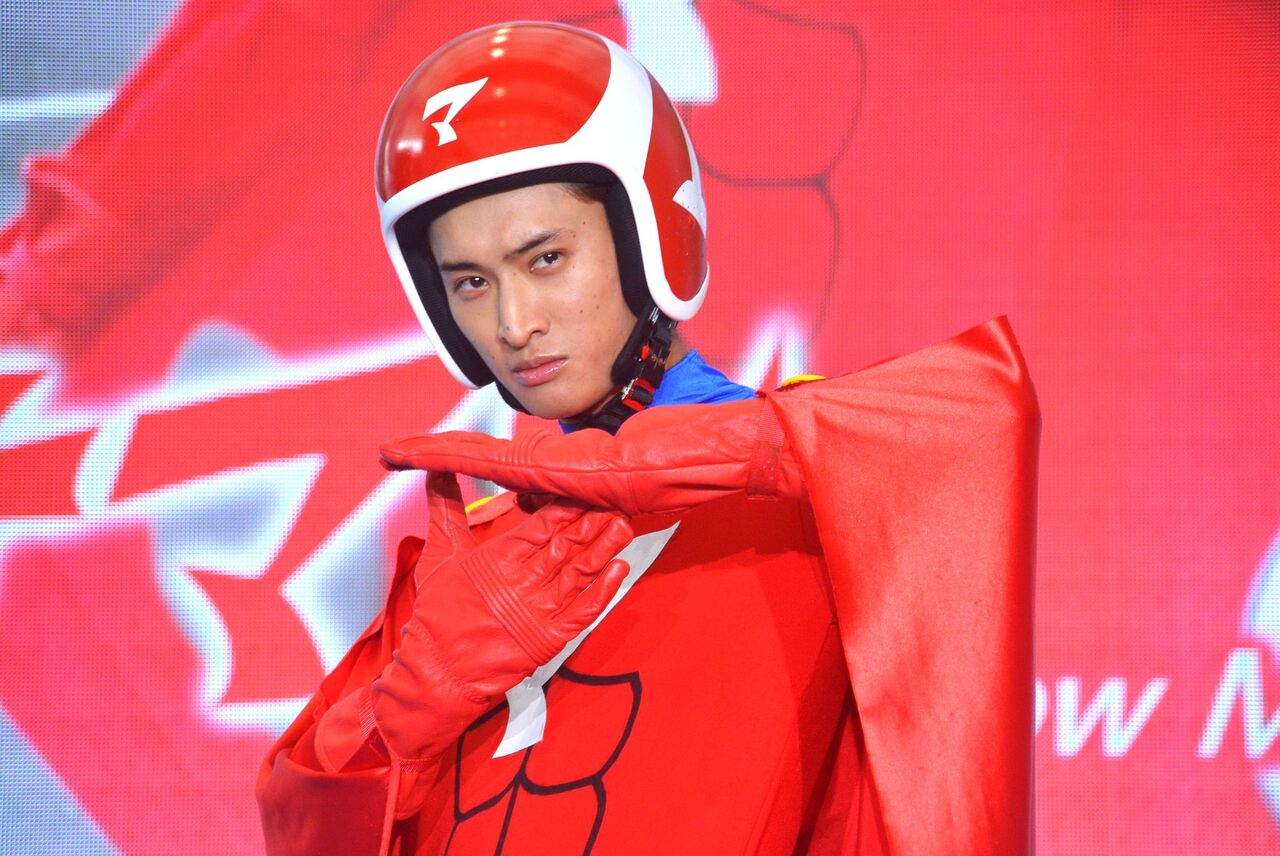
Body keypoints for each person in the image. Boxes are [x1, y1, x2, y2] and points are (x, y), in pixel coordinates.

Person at [257, 22, 1039, 855]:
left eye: (546, 259)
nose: (514, 323)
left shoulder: (821, 488)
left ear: (649, 238)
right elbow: (301, 825)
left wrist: (751, 443)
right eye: (473, 282)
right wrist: (400, 723)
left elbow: (975, 426)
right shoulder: (473, 564)